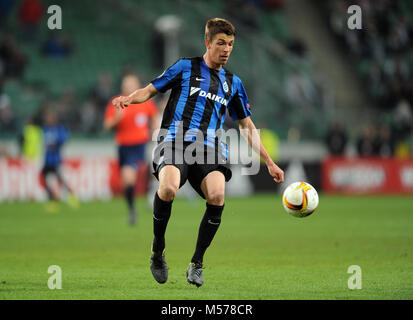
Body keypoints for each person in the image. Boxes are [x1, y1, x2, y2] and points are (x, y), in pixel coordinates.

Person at [112, 18, 284, 287]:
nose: (226, 49)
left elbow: (246, 125)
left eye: (230, 45)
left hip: (210, 148)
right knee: (168, 188)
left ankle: (197, 263)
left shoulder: (233, 83)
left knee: (217, 195)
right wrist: (128, 99)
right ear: (208, 42)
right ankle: (158, 250)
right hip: (174, 141)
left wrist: (270, 162)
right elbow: (149, 90)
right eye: (221, 43)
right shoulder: (184, 67)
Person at [104, 73, 158, 225]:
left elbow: (154, 117)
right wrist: (116, 119)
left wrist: (154, 131)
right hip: (123, 147)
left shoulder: (145, 101)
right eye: (126, 84)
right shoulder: (116, 102)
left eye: (132, 83)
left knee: (132, 176)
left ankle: (149, 197)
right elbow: (107, 125)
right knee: (127, 182)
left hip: (140, 145)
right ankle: (132, 209)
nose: (129, 86)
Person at [40, 108, 78, 212]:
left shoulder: (59, 129)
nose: (48, 119)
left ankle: (70, 196)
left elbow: (64, 139)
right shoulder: (44, 129)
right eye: (47, 117)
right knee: (44, 177)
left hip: (55, 159)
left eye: (50, 117)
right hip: (47, 160)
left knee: (59, 179)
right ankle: (52, 199)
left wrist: (56, 144)